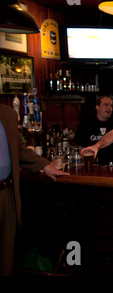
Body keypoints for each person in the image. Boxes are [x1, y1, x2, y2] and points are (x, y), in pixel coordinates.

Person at [0, 104, 68, 275]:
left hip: (7, 193)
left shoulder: (7, 113)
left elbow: (19, 150)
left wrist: (45, 166)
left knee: (6, 258)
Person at [74, 95, 113, 166]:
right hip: (93, 165)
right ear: (97, 107)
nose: (109, 108)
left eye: (111, 105)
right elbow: (80, 145)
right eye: (106, 105)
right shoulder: (86, 123)